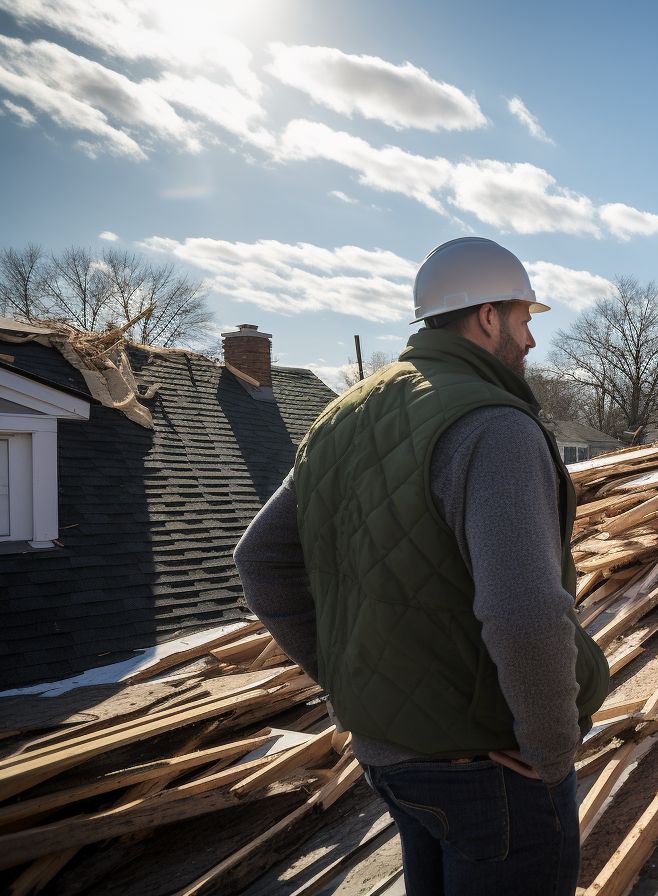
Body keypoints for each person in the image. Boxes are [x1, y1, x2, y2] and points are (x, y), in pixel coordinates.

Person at [234, 237, 609, 896]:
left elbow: (261, 560)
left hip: (391, 757)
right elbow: (525, 614)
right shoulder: (493, 425)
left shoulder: (342, 414)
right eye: (524, 319)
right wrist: (551, 752)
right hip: (490, 769)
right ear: (487, 316)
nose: (530, 341)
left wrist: (356, 684)